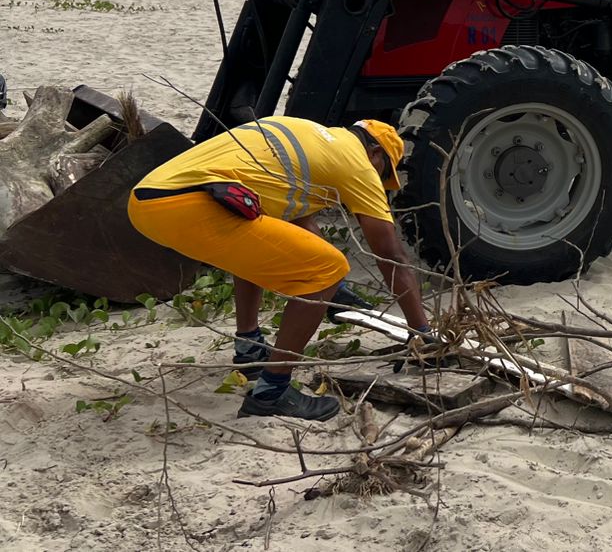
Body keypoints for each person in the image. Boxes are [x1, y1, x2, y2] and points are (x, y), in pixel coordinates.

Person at [127, 117, 430, 420]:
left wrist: (338, 293)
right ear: (375, 152)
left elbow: (298, 225)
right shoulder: (357, 162)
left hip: (146, 202)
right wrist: (421, 331)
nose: (379, 180)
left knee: (259, 244)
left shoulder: (307, 135)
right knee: (328, 268)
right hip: (189, 204)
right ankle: (272, 391)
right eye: (383, 171)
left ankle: (250, 348)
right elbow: (392, 256)